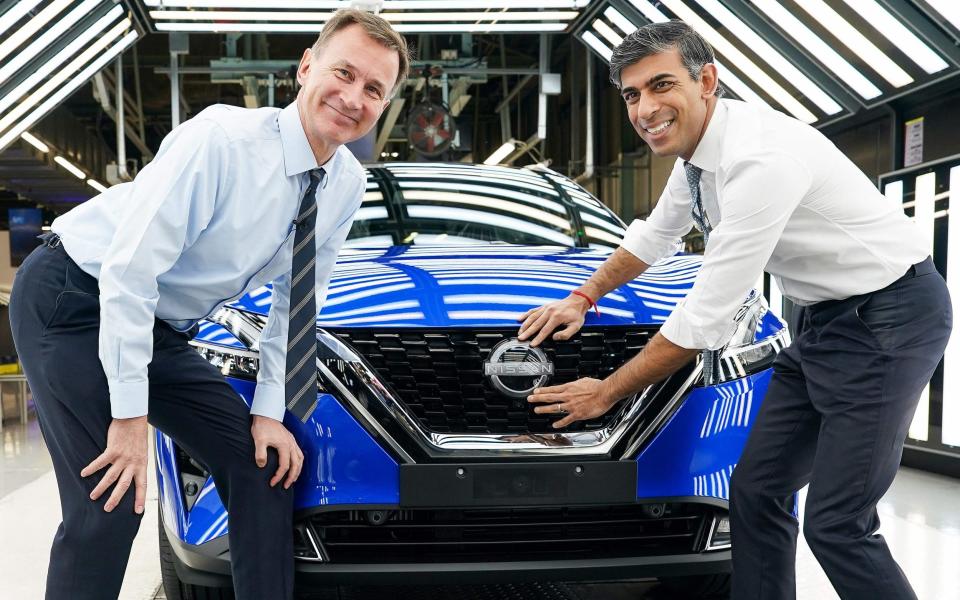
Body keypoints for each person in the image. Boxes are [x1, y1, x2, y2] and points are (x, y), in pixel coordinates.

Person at [517, 21, 950, 600]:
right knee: (758, 490)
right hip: (823, 321)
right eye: (631, 94)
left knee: (838, 522)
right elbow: (653, 237)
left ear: (707, 80)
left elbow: (706, 316)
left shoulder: (759, 160)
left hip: (889, 318)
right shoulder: (697, 159)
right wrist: (583, 297)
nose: (645, 109)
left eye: (661, 85)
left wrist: (607, 392)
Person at [8, 9, 409, 600]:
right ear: (305, 68)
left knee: (264, 469)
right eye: (343, 73)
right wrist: (128, 417)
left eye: (373, 89)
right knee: (114, 498)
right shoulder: (223, 141)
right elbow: (128, 269)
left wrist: (270, 413)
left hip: (157, 324)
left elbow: (297, 306)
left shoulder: (346, 183)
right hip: (75, 296)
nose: (353, 97)